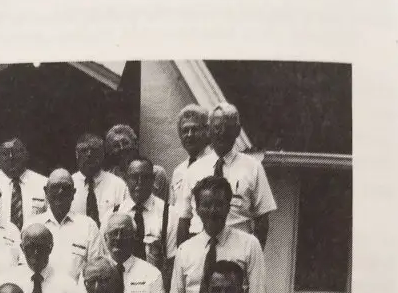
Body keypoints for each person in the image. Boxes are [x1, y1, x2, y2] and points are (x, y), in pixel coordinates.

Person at [165, 175, 269, 293]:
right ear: (197, 209)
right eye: (206, 205)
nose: (212, 211)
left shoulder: (249, 245)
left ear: (228, 207)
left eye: (219, 204)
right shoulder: (185, 249)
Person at [179, 102, 276, 248]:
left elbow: (262, 220)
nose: (222, 132)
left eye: (228, 128)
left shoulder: (253, 167)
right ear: (209, 131)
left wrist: (251, 257)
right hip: (198, 248)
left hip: (236, 250)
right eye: (217, 127)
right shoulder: (194, 170)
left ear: (237, 131)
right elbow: (184, 219)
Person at [5, 223, 78, 293]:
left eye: (41, 247)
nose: (36, 253)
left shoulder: (67, 285)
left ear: (51, 248)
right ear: (22, 248)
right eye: (30, 247)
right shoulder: (9, 283)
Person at [41, 168, 103, 284]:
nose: (60, 192)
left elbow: (97, 269)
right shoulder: (33, 226)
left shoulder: (88, 226)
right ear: (46, 192)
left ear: (73, 193)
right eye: (55, 187)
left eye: (66, 187)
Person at [168, 105, 211, 258]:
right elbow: (174, 212)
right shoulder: (179, 171)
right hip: (180, 244)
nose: (189, 135)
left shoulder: (215, 165)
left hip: (204, 239)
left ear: (206, 132)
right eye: (185, 130)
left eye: (195, 129)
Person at [113, 157, 167, 272]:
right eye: (134, 177)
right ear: (126, 179)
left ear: (153, 179)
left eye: (145, 177)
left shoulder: (168, 213)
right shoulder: (114, 214)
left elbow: (171, 263)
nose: (140, 182)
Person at [72, 133, 130, 227]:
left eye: (94, 150)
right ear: (77, 154)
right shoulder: (69, 184)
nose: (89, 154)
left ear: (102, 154)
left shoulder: (118, 185)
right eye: (84, 150)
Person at [0, 137, 47, 229]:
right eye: (5, 153)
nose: (11, 157)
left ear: (26, 154)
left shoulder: (43, 183)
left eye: (15, 151)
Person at [104, 124, 168, 201]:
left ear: (135, 144)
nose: (122, 148)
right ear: (111, 151)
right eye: (116, 145)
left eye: (125, 143)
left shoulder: (155, 173)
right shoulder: (108, 178)